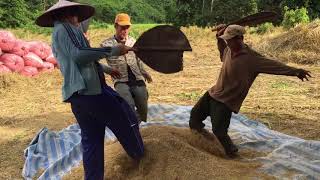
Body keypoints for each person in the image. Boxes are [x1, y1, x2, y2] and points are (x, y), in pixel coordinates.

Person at [35, 1, 144, 179]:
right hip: (91, 93)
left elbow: (81, 60)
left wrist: (108, 69)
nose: (79, 20)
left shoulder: (62, 32)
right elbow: (79, 56)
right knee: (126, 115)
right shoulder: (66, 28)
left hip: (79, 97)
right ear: (69, 15)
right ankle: (142, 157)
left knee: (92, 139)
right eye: (77, 16)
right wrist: (113, 50)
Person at [189, 24, 311, 158]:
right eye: (227, 39)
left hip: (226, 100)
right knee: (194, 117)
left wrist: (296, 71)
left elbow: (274, 66)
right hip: (213, 93)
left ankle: (232, 154)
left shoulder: (252, 59)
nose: (228, 42)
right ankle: (204, 140)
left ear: (240, 38)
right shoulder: (229, 50)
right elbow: (222, 53)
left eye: (230, 39)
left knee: (219, 131)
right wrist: (219, 38)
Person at [100, 13, 152, 122]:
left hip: (137, 78)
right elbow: (95, 61)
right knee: (128, 106)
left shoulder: (133, 41)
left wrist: (144, 72)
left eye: (127, 28)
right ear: (115, 26)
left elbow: (138, 59)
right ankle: (131, 128)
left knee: (143, 108)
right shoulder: (106, 44)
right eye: (122, 28)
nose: (124, 30)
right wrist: (109, 70)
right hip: (120, 80)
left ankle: (135, 124)